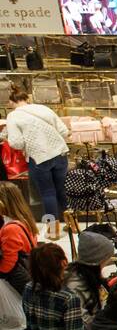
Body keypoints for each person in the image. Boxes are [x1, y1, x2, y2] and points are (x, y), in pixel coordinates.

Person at [5, 86, 70, 235]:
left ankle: (53, 231)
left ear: (11, 102)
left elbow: (16, 143)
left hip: (39, 157)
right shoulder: (43, 109)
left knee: (48, 193)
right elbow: (64, 131)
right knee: (62, 191)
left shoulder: (13, 116)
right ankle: (73, 224)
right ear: (27, 99)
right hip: (60, 153)